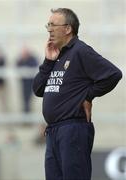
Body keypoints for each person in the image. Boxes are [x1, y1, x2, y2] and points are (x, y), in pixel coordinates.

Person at [33, 8, 122, 180]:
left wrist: (88, 96)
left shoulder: (80, 51)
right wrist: (47, 61)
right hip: (53, 131)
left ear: (68, 29)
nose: (49, 29)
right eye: (48, 25)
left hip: (72, 130)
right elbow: (37, 89)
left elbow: (113, 74)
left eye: (53, 25)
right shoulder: (56, 56)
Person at [17, 46, 38, 112]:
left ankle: (29, 115)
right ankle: (25, 114)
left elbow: (35, 66)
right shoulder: (21, 60)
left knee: (30, 100)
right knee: (25, 100)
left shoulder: (32, 59)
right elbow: (17, 66)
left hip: (31, 83)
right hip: (24, 83)